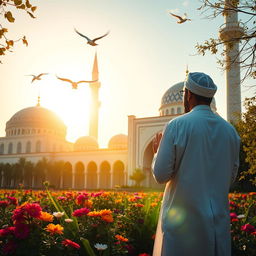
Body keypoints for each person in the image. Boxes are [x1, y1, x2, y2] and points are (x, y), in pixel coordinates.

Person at [151, 72, 240, 256]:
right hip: (217, 226)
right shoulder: (231, 132)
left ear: (188, 95)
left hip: (183, 228)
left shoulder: (176, 125)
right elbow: (230, 178)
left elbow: (160, 175)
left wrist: (157, 153)